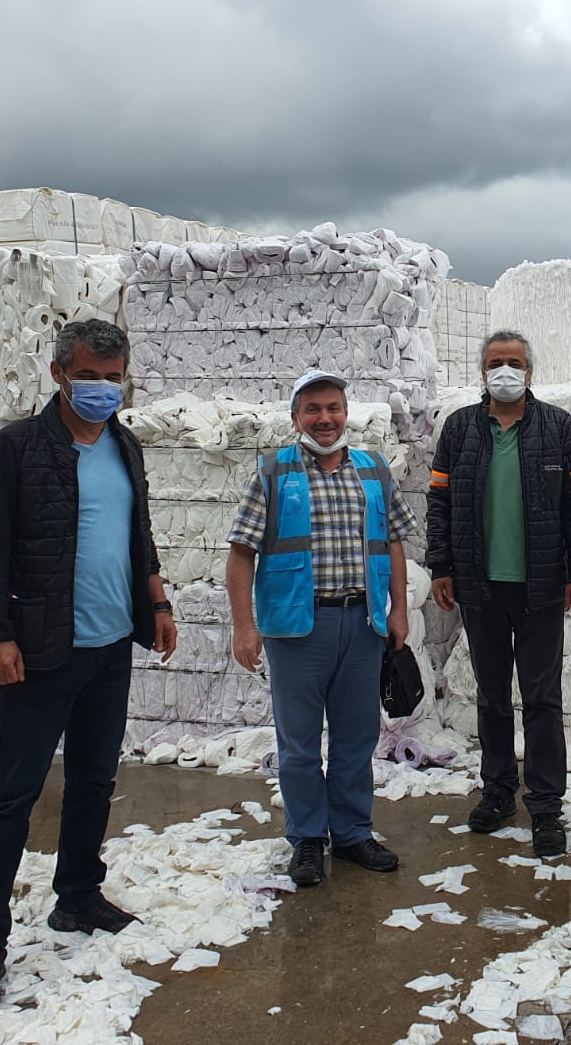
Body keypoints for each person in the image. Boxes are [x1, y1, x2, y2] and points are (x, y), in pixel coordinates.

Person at [0, 319, 177, 1006]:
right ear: (58, 374)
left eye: (114, 379)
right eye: (90, 377)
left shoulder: (125, 445)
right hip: (42, 651)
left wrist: (157, 601)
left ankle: (78, 894)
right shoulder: (18, 449)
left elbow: (138, 533)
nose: (104, 390)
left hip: (111, 644)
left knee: (93, 779)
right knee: (13, 796)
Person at [225, 370, 416, 887]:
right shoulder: (273, 472)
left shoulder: (372, 470)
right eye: (313, 409)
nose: (325, 419)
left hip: (361, 622)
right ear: (295, 418)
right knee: (300, 742)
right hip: (296, 629)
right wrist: (245, 626)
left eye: (333, 408)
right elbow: (241, 553)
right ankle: (308, 838)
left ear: (345, 412)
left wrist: (398, 611)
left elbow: (394, 542)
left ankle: (352, 832)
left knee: (357, 737)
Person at [427, 330, 571, 858]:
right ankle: (498, 791)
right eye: (496, 362)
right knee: (492, 695)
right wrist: (440, 566)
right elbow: (439, 503)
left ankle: (545, 806)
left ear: (530, 372)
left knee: (542, 699)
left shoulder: (558, 427)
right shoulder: (459, 429)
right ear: (483, 372)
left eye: (515, 362)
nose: (506, 370)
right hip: (480, 586)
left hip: (541, 586)